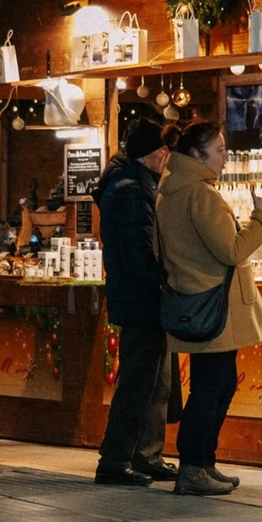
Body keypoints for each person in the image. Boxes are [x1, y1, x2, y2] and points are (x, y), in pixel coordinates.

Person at [156, 122, 262, 496]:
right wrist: (261, 218)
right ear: (197, 155)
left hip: (191, 299)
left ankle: (203, 463)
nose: (225, 158)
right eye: (220, 150)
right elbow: (231, 250)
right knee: (212, 388)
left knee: (215, 385)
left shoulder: (169, 191)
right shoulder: (202, 195)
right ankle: (193, 466)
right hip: (215, 307)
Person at [92, 118, 179, 487]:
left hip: (140, 298)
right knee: (137, 382)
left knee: (155, 381)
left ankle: (146, 455)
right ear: (158, 154)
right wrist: (165, 280)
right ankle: (115, 459)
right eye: (166, 152)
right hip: (140, 299)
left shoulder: (131, 183)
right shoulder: (131, 190)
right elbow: (137, 253)